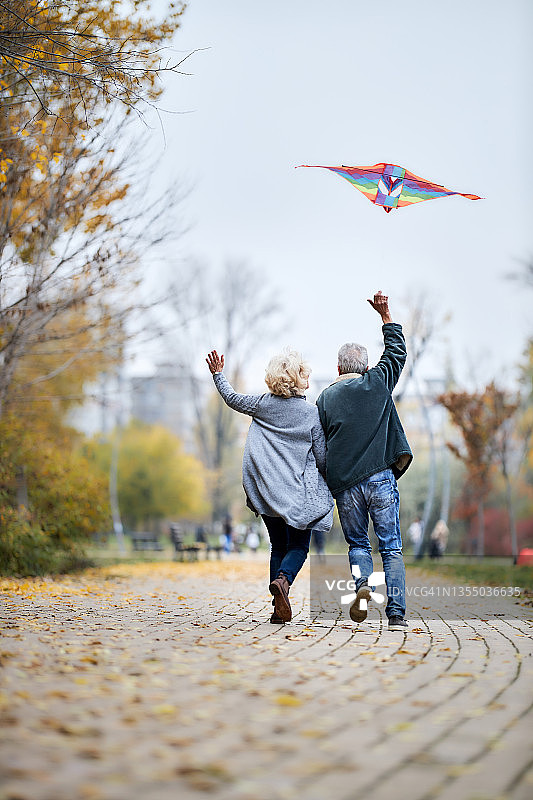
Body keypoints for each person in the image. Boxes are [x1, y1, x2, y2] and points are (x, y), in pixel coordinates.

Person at [206, 348, 334, 623]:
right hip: (297, 493)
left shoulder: (262, 404)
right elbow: (322, 458)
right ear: (298, 379)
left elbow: (231, 398)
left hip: (266, 491)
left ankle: (278, 607)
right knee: (299, 546)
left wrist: (218, 375)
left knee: (278, 544)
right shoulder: (311, 414)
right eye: (305, 374)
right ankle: (284, 581)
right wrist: (332, 483)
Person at [316, 291, 413, 632]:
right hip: (382, 481)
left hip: (347, 486)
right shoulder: (379, 383)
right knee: (391, 547)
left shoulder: (325, 398)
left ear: (339, 368)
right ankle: (397, 615)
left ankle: (362, 586)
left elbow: (321, 444)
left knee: (358, 543)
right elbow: (397, 352)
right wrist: (385, 315)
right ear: (367, 367)